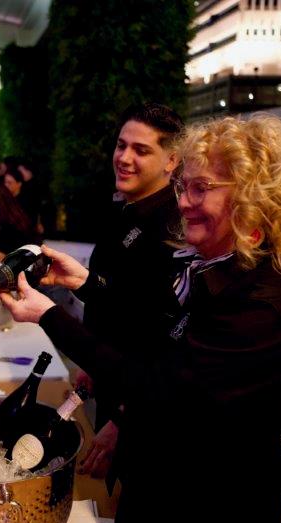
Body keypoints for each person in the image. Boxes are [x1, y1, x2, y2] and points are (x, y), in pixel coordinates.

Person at [0, 115, 281, 523]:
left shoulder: (260, 303)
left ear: (253, 198)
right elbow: (149, 322)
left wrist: (49, 315)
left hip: (211, 520)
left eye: (201, 189)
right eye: (183, 187)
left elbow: (159, 388)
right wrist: (86, 283)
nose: (184, 202)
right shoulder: (207, 266)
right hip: (163, 494)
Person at [77, 103, 184, 480]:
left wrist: (125, 419)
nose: (124, 158)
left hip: (145, 411)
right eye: (121, 145)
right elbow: (116, 302)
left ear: (171, 160)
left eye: (141, 150)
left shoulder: (174, 227)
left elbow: (164, 340)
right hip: (113, 382)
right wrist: (93, 360)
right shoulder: (127, 210)